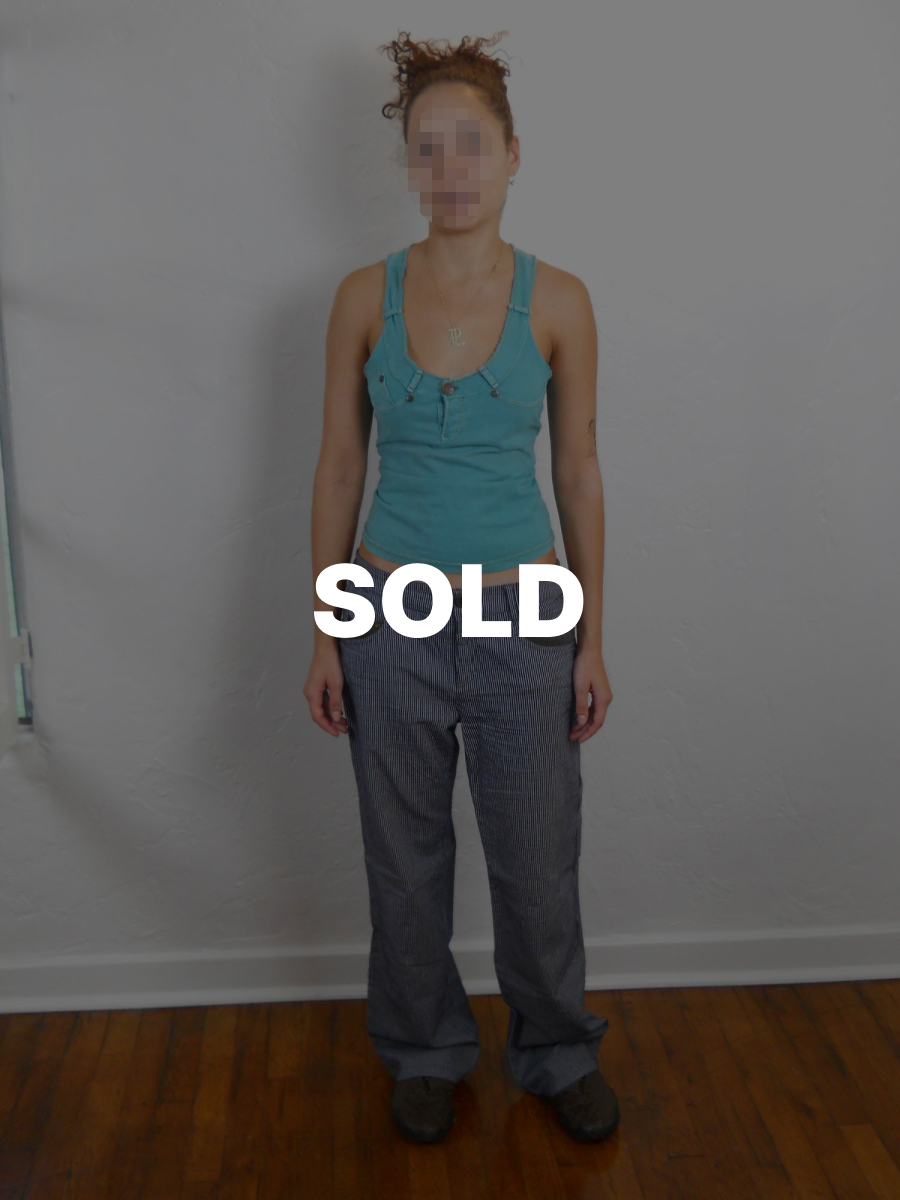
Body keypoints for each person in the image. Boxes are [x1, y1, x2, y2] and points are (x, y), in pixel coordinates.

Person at [304, 30, 619, 1146]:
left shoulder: (560, 300)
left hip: (525, 609)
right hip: (387, 606)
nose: (450, 170)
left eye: (471, 145)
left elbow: (578, 472)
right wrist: (327, 633)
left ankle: (556, 1049)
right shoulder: (362, 297)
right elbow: (340, 469)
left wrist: (590, 639)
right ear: (407, 163)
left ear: (513, 154)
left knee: (536, 859)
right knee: (404, 859)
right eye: (428, 148)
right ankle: (425, 1049)